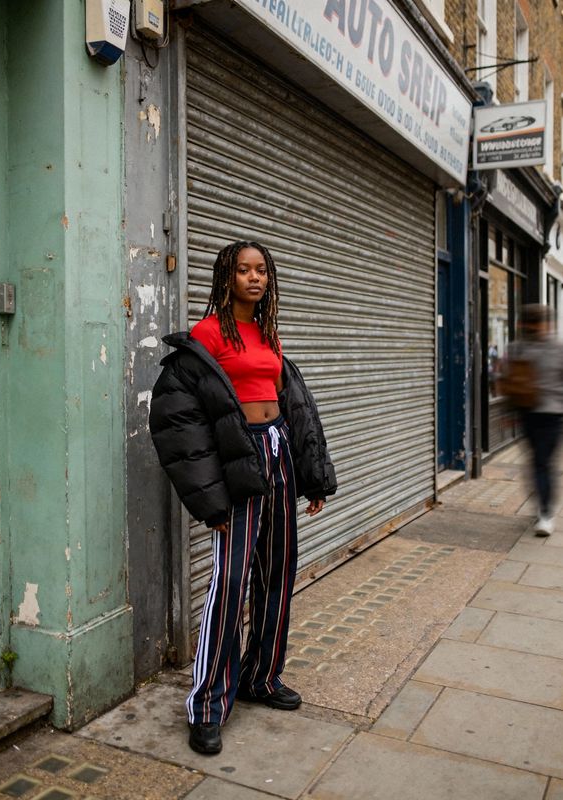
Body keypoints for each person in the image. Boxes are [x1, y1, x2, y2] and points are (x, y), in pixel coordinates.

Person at [149, 240, 337, 756]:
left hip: (278, 456)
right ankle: (208, 703)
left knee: (278, 571)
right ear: (225, 277)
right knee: (230, 582)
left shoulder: (269, 334)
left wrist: (312, 476)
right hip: (239, 465)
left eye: (261, 271)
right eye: (243, 270)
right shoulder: (207, 337)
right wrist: (209, 500)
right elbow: (179, 421)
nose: (254, 278)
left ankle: (261, 677)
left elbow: (293, 405)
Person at [502, 304, 563, 536]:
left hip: (551, 415)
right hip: (528, 412)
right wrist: (509, 412)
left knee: (542, 462)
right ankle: (544, 506)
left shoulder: (556, 349)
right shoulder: (517, 347)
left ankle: (545, 512)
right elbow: (508, 381)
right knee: (538, 463)